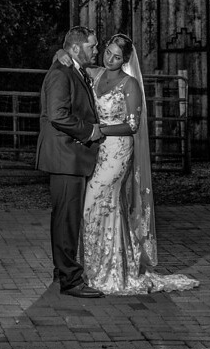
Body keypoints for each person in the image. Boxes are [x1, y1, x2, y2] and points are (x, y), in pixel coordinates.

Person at [80, 33, 199, 295]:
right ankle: (98, 268)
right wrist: (62, 55)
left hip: (118, 150)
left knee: (95, 201)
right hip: (98, 150)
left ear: (125, 60)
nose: (110, 58)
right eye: (108, 52)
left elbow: (132, 125)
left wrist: (100, 130)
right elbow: (76, 63)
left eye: (117, 56)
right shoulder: (97, 74)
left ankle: (112, 272)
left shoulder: (129, 84)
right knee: (105, 207)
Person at [34, 26, 135, 298]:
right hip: (65, 156)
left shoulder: (75, 69)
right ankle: (70, 279)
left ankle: (62, 270)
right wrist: (89, 131)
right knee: (66, 218)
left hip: (71, 155)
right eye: (92, 46)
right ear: (77, 48)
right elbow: (57, 115)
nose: (97, 50)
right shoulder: (61, 73)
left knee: (65, 217)